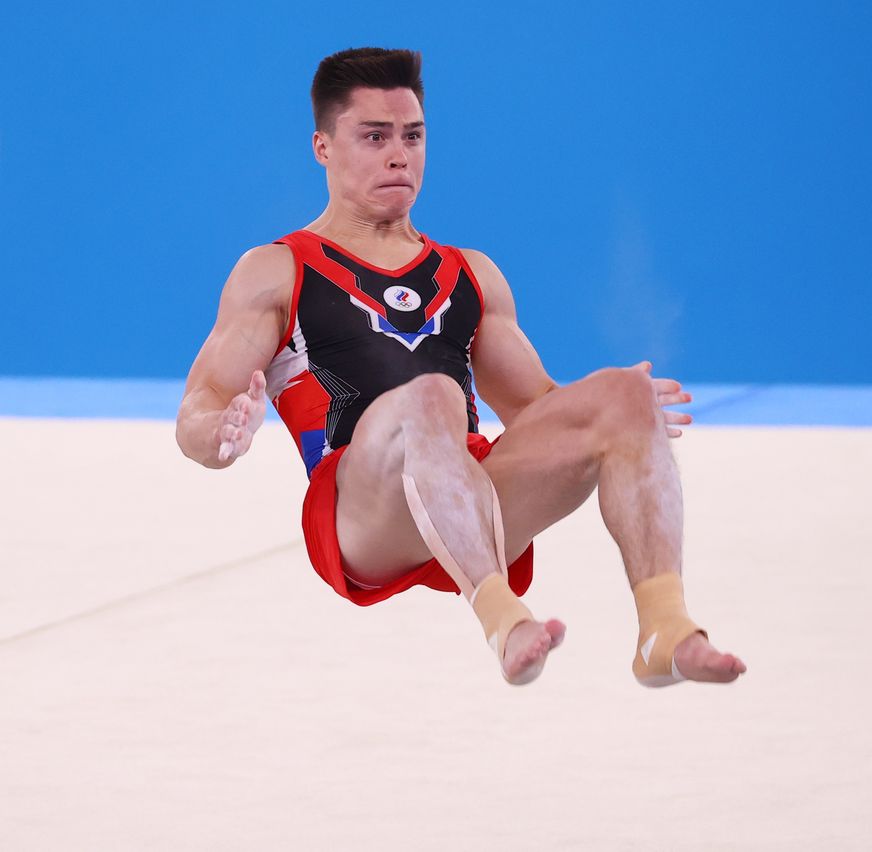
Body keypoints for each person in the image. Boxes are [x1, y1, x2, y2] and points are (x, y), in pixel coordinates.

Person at [176, 47, 746, 687]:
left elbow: (536, 406)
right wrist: (221, 432)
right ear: (322, 147)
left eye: (413, 136)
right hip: (365, 512)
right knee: (433, 398)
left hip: (469, 495)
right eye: (374, 136)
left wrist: (620, 417)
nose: (399, 155)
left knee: (622, 390)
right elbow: (198, 409)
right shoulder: (278, 270)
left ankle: (662, 629)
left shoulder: (470, 274)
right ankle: (503, 618)